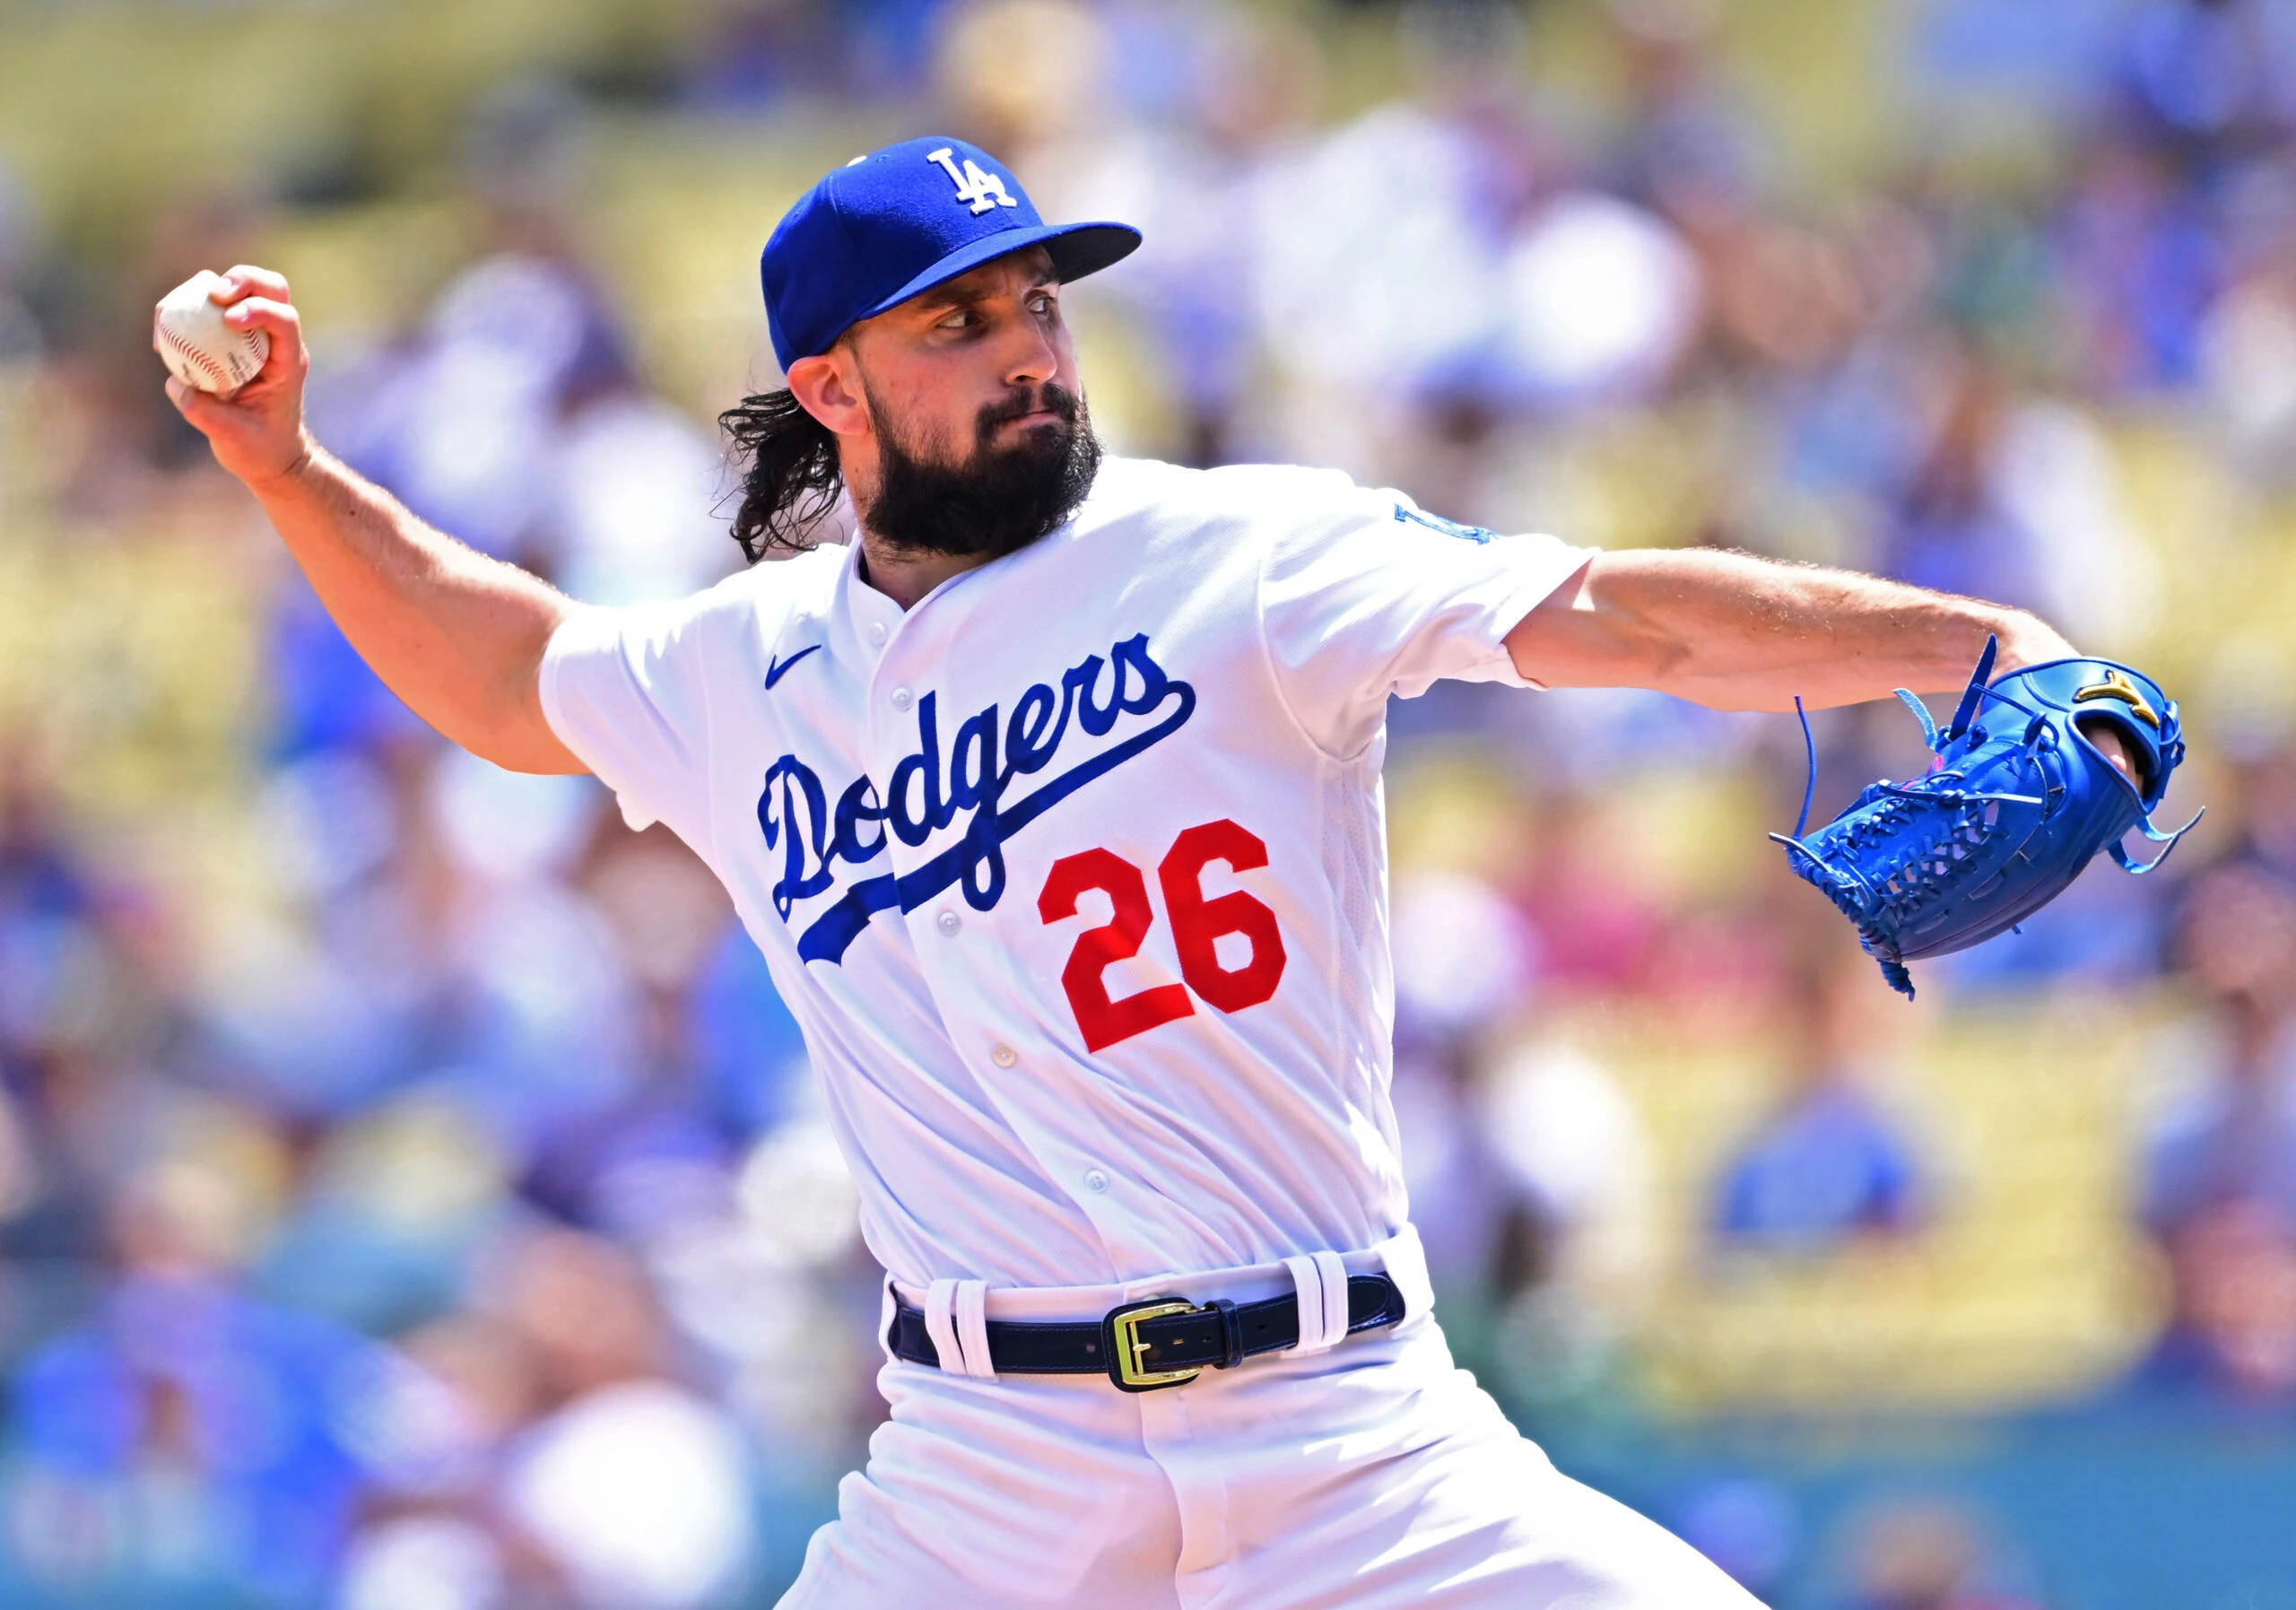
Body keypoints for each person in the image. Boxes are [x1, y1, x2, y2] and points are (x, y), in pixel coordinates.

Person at [163, 135, 2132, 1608]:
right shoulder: (741, 671)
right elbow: (503, 670)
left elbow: (1622, 618)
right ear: (831, 386)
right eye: (958, 319)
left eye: (1037, 303)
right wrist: (280, 470)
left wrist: (1954, 642)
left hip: (1345, 1434)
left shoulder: (1240, 557)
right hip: (983, 1472)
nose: (1026, 350)